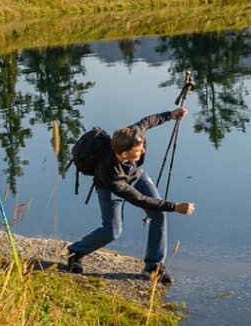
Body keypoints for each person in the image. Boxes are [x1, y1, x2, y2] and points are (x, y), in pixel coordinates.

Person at [66, 108, 195, 285]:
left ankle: (153, 266)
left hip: (136, 176)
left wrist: (171, 115)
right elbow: (139, 199)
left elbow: (148, 121)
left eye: (141, 147)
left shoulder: (133, 135)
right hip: (111, 189)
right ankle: (76, 252)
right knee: (112, 231)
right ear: (124, 154)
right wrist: (174, 206)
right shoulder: (109, 173)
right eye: (138, 150)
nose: (142, 151)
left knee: (158, 215)